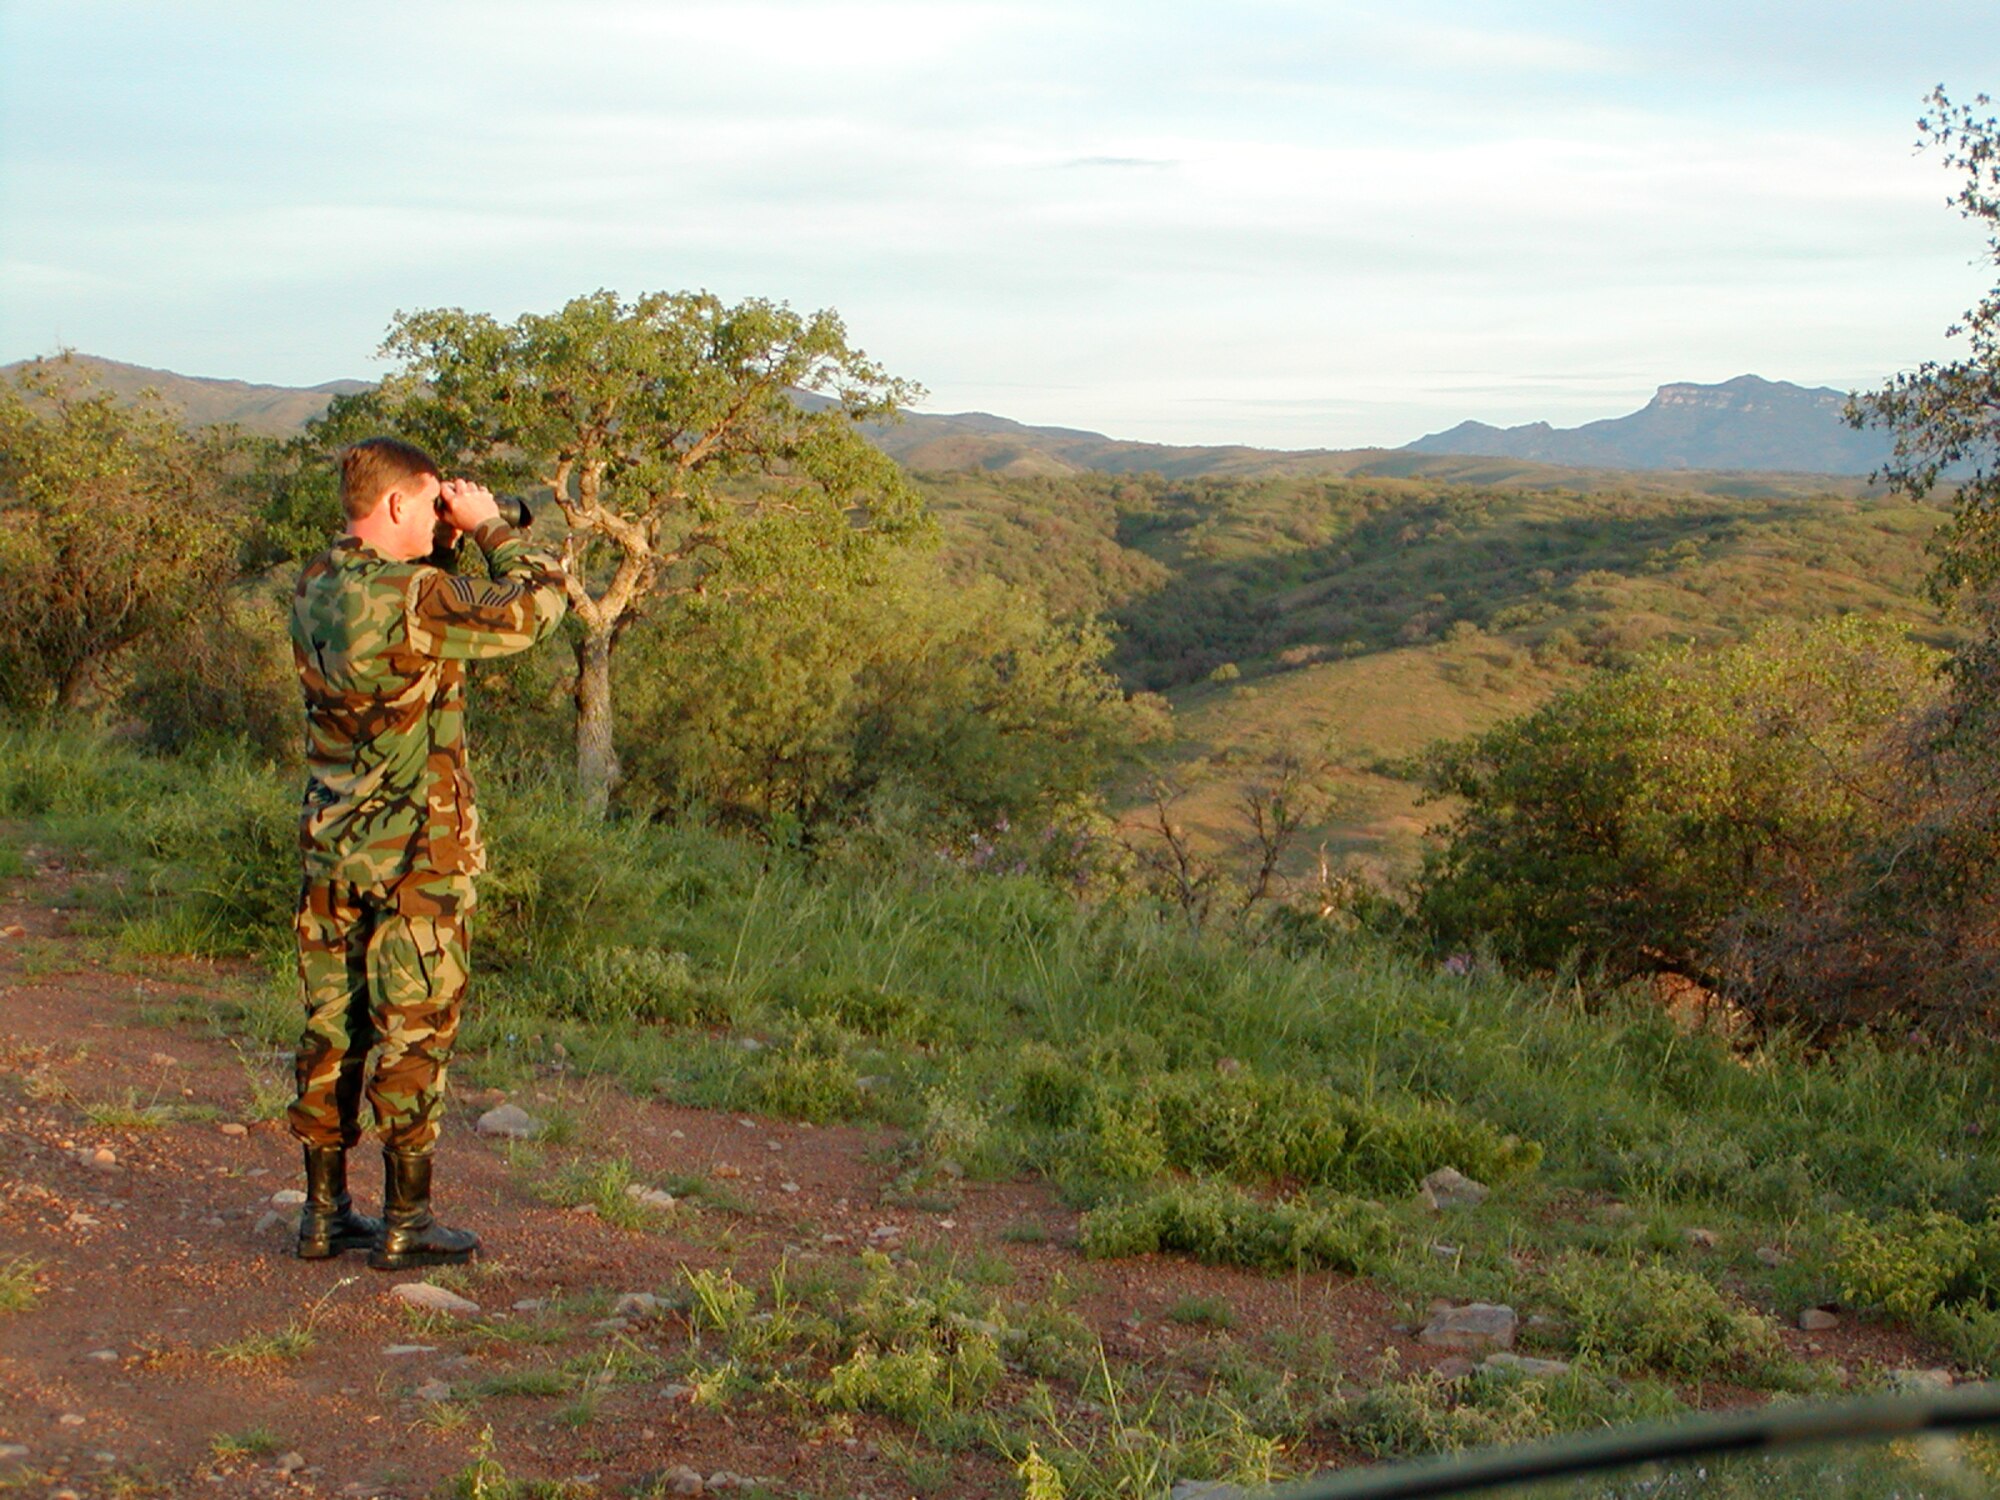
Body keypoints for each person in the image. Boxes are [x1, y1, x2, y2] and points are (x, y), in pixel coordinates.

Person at [286, 437, 567, 1269]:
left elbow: (405, 611)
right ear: (404, 503)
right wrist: (489, 528)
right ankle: (407, 1222)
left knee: (331, 1030)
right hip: (417, 857)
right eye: (431, 500)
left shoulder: (315, 585)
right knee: (416, 1032)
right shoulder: (419, 595)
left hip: (333, 850)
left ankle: (323, 1213)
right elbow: (539, 607)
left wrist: (443, 536)